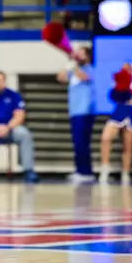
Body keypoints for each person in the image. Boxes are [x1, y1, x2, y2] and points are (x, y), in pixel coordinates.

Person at [56, 47, 95, 185]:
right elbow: (60, 78)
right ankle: (80, 170)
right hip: (74, 111)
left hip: (85, 111)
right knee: (77, 143)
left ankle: (86, 172)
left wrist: (75, 66)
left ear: (88, 56)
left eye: (81, 53)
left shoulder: (91, 68)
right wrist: (68, 66)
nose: (78, 55)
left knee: (82, 142)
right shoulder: (74, 71)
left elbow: (85, 77)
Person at [99, 64, 132, 187]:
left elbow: (131, 95)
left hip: (129, 113)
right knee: (106, 138)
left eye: (128, 68)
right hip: (118, 113)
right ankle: (105, 168)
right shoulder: (116, 83)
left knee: (128, 145)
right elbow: (114, 96)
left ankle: (126, 172)